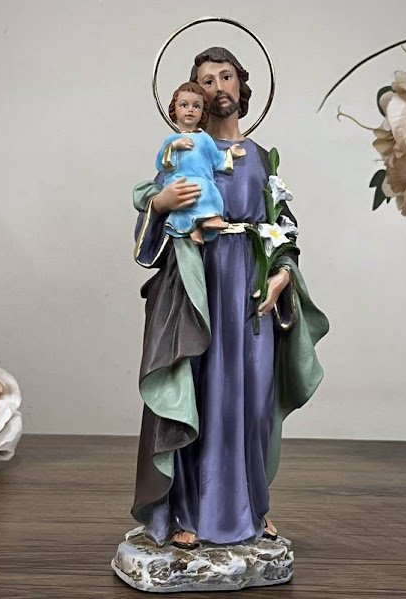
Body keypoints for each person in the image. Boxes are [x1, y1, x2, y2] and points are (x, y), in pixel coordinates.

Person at [132, 46, 329, 550]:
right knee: (197, 397)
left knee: (253, 399)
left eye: (226, 76)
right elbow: (154, 218)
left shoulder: (261, 158)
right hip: (198, 291)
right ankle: (186, 512)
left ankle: (251, 506)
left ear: (241, 85)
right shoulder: (184, 150)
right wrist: (160, 203)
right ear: (193, 95)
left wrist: (282, 273)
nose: (218, 87)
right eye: (206, 80)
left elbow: (284, 227)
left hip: (250, 294)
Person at [158, 81, 245, 245]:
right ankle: (193, 228)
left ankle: (206, 223)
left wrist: (231, 153)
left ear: (203, 112)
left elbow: (216, 158)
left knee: (209, 190)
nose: (190, 110)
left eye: (196, 106)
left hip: (203, 179)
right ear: (175, 109)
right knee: (189, 197)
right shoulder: (172, 139)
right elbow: (161, 163)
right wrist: (174, 146)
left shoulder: (205, 138)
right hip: (180, 180)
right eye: (184, 105)